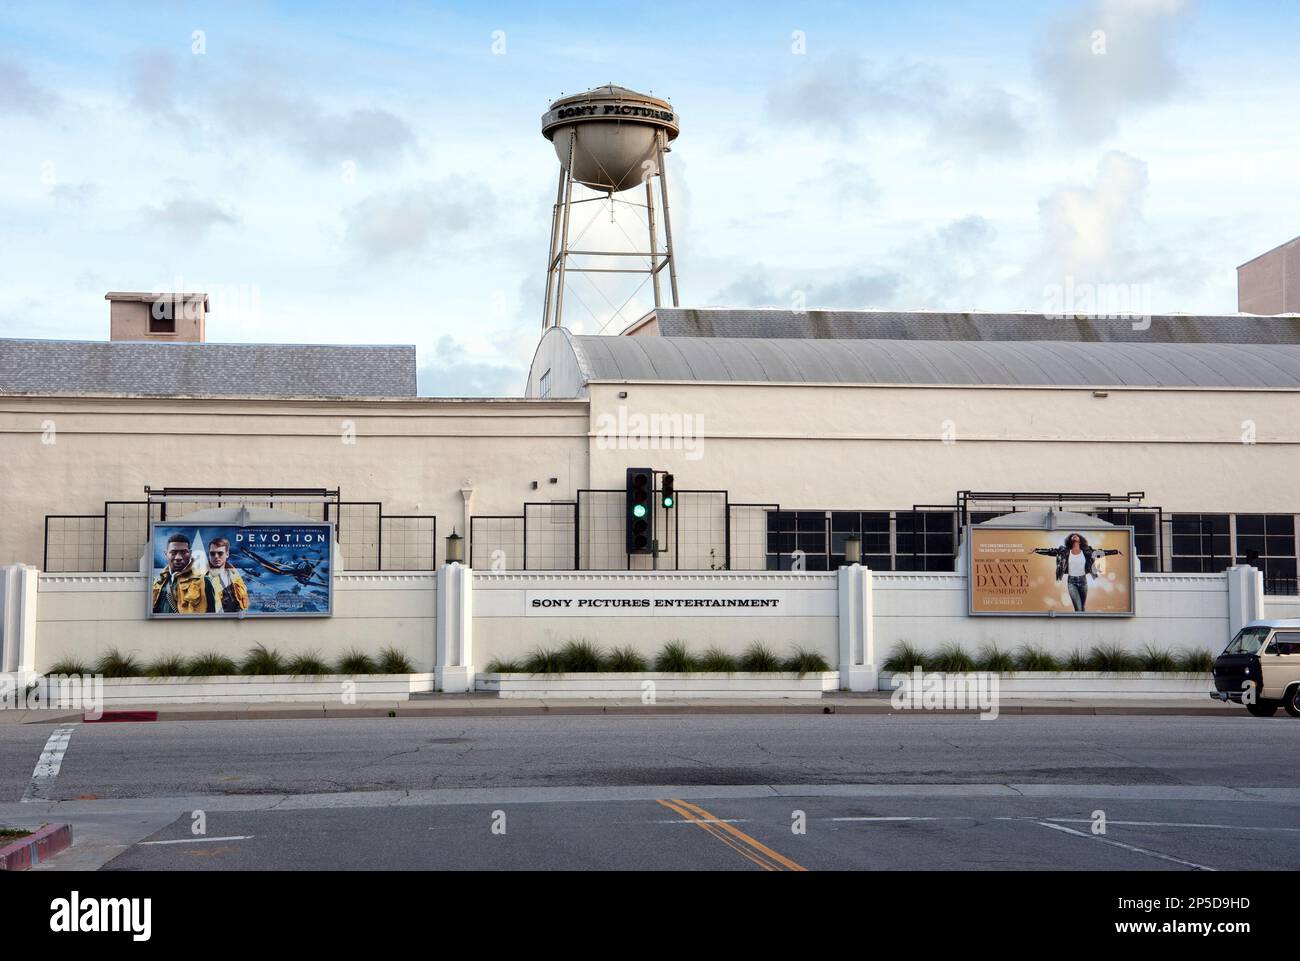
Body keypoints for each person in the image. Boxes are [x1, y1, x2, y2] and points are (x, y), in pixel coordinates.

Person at [1033, 532, 1121, 612]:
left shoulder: (1087, 551)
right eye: (1072, 536)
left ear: (1080, 541)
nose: (1074, 536)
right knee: (1078, 609)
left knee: (1082, 608)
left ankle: (1082, 627)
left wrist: (1116, 551)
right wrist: (1037, 550)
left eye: (1077, 536)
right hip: (1071, 582)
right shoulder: (1064, 551)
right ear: (1070, 541)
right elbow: (1050, 551)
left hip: (1083, 581)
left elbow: (1101, 552)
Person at [151, 532, 217, 614]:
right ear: (166, 554)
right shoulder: (157, 582)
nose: (178, 557)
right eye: (173, 552)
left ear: (190, 553)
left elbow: (212, 617)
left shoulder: (204, 581)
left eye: (183, 552)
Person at [206, 537, 249, 612]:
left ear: (227, 554)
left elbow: (243, 600)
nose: (216, 556)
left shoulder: (235, 575)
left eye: (220, 553)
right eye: (212, 553)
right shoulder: (202, 577)